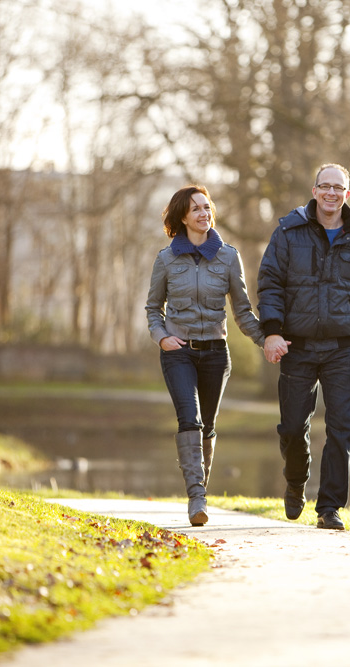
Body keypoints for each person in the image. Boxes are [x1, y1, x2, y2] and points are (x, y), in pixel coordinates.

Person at [257, 163, 350, 530]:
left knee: (342, 428)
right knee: (291, 428)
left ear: (347, 195)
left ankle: (329, 508)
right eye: (325, 186)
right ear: (314, 191)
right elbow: (269, 283)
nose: (331, 193)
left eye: (338, 188)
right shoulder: (288, 231)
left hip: (341, 349)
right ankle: (296, 481)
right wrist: (271, 331)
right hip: (296, 347)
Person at [146, 185, 264, 526]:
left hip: (215, 353)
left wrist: (267, 342)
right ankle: (196, 498)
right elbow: (153, 307)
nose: (204, 213)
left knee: (208, 426)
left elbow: (242, 311)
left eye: (207, 207)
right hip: (178, 352)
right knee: (190, 420)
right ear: (183, 216)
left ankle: (200, 493)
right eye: (196, 209)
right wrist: (161, 337)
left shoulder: (228, 256)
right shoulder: (166, 259)